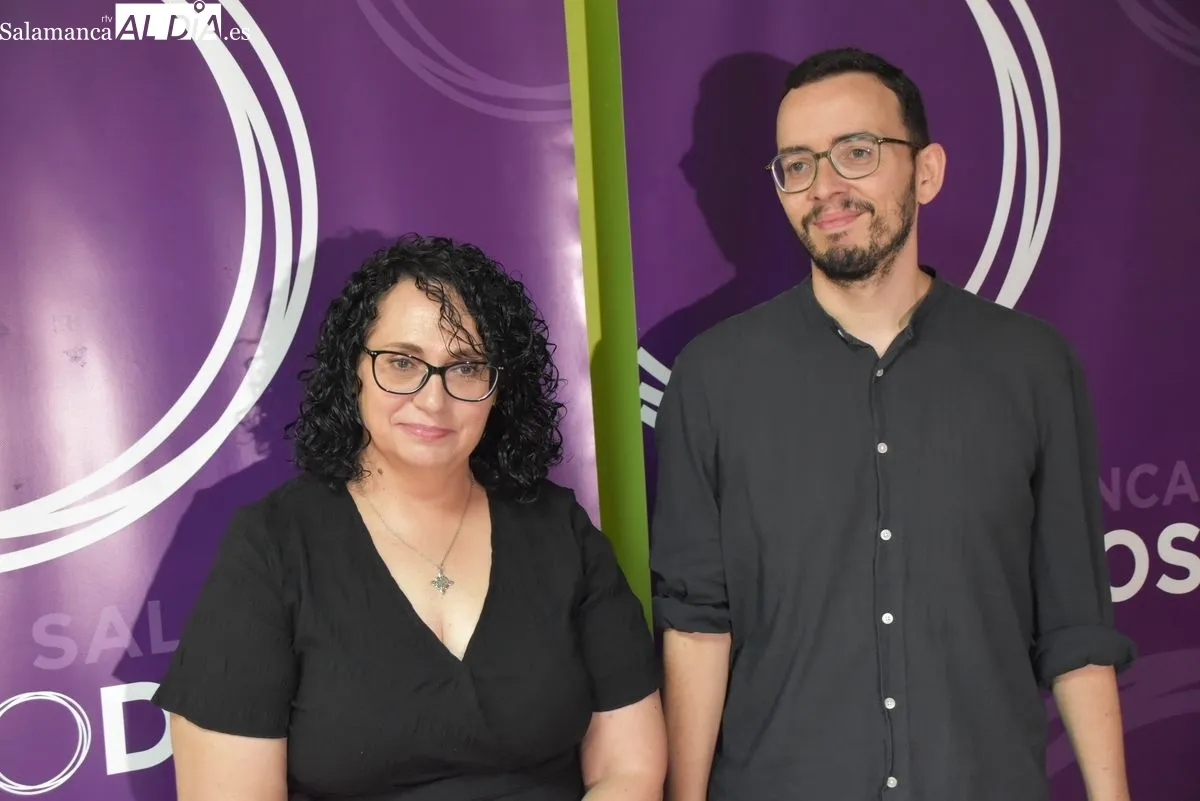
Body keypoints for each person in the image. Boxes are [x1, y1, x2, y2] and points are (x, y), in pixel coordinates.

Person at [649, 47, 1135, 801]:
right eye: (798, 165)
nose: (825, 187)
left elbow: (1077, 625)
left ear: (926, 171)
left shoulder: (1034, 365)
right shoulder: (712, 377)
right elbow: (697, 625)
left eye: (857, 151)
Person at [153, 234, 666, 800]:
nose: (433, 400)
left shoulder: (558, 527)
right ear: (353, 369)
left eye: (466, 367)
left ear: (499, 389)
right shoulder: (273, 545)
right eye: (401, 363)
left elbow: (629, 767)